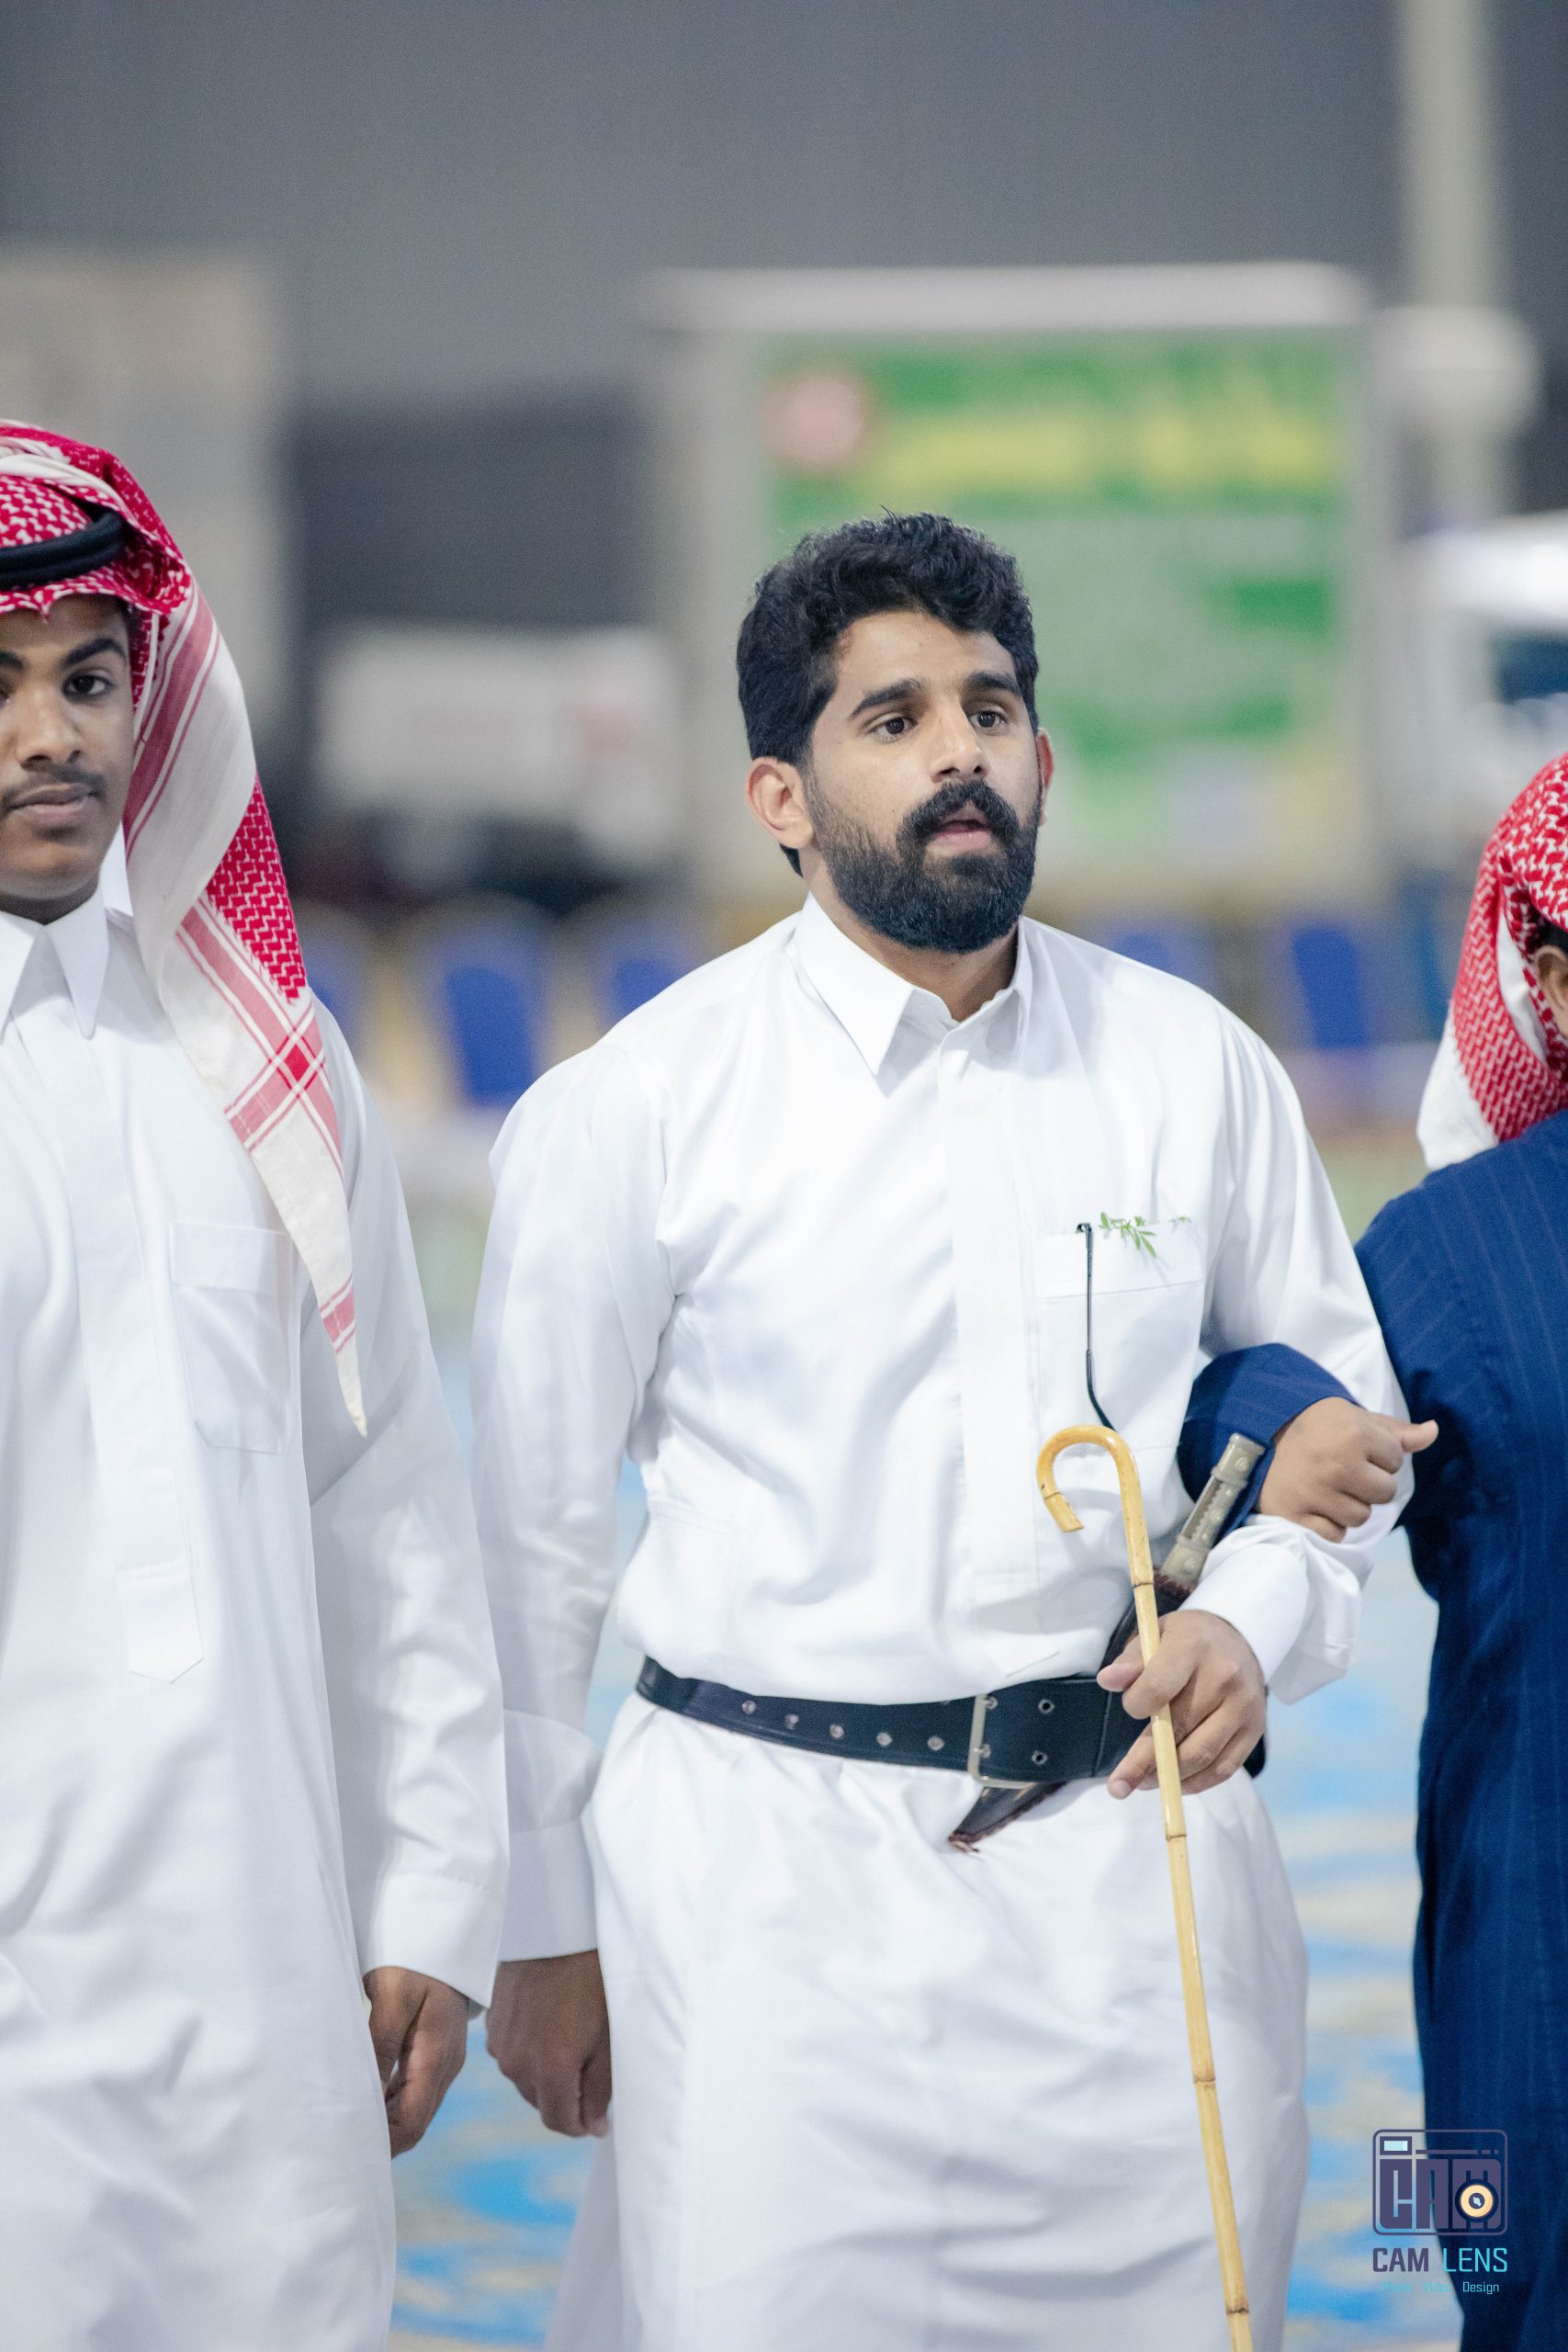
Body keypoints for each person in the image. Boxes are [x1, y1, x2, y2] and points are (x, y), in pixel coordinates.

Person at [474, 513, 1422, 2352]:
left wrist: (1253, 1618)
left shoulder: (1192, 1070)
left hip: (1136, 1900)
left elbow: (1337, 1439)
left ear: (1042, 756)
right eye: (892, 718)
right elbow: (523, 1555)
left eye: (988, 709)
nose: (957, 752)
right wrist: (532, 1915)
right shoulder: (637, 1110)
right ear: (779, 793)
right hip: (764, 1914)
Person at [0, 424, 507, 2352]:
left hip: (271, 1995)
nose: (50, 736)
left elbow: (386, 1496)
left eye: (88, 678)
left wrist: (429, 1898)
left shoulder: (267, 1053)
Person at [1349, 759, 1568, 2350]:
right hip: (1529, 1930)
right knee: (1494, 2274)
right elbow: (1266, 1470)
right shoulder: (1435, 1251)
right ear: (1546, 979)